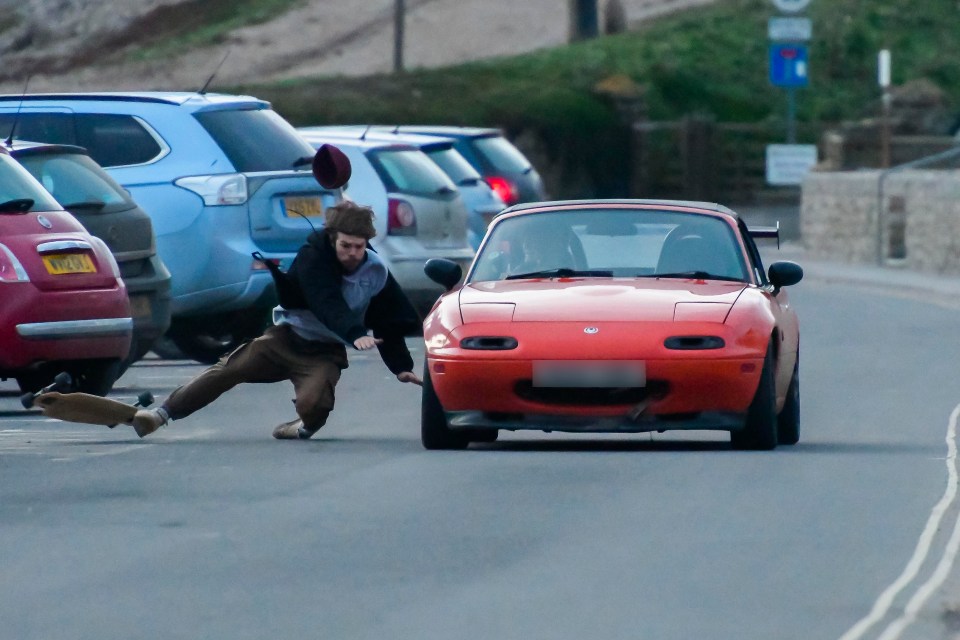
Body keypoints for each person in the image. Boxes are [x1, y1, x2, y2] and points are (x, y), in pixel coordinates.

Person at [131, 201, 423, 440]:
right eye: (346, 246)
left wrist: (401, 367)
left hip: (324, 351)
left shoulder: (374, 271)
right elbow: (326, 302)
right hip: (286, 338)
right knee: (229, 368)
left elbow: (389, 319)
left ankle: (301, 427)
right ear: (332, 239)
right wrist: (355, 331)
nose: (353, 254)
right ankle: (161, 415)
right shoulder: (313, 258)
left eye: (359, 247)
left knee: (316, 405)